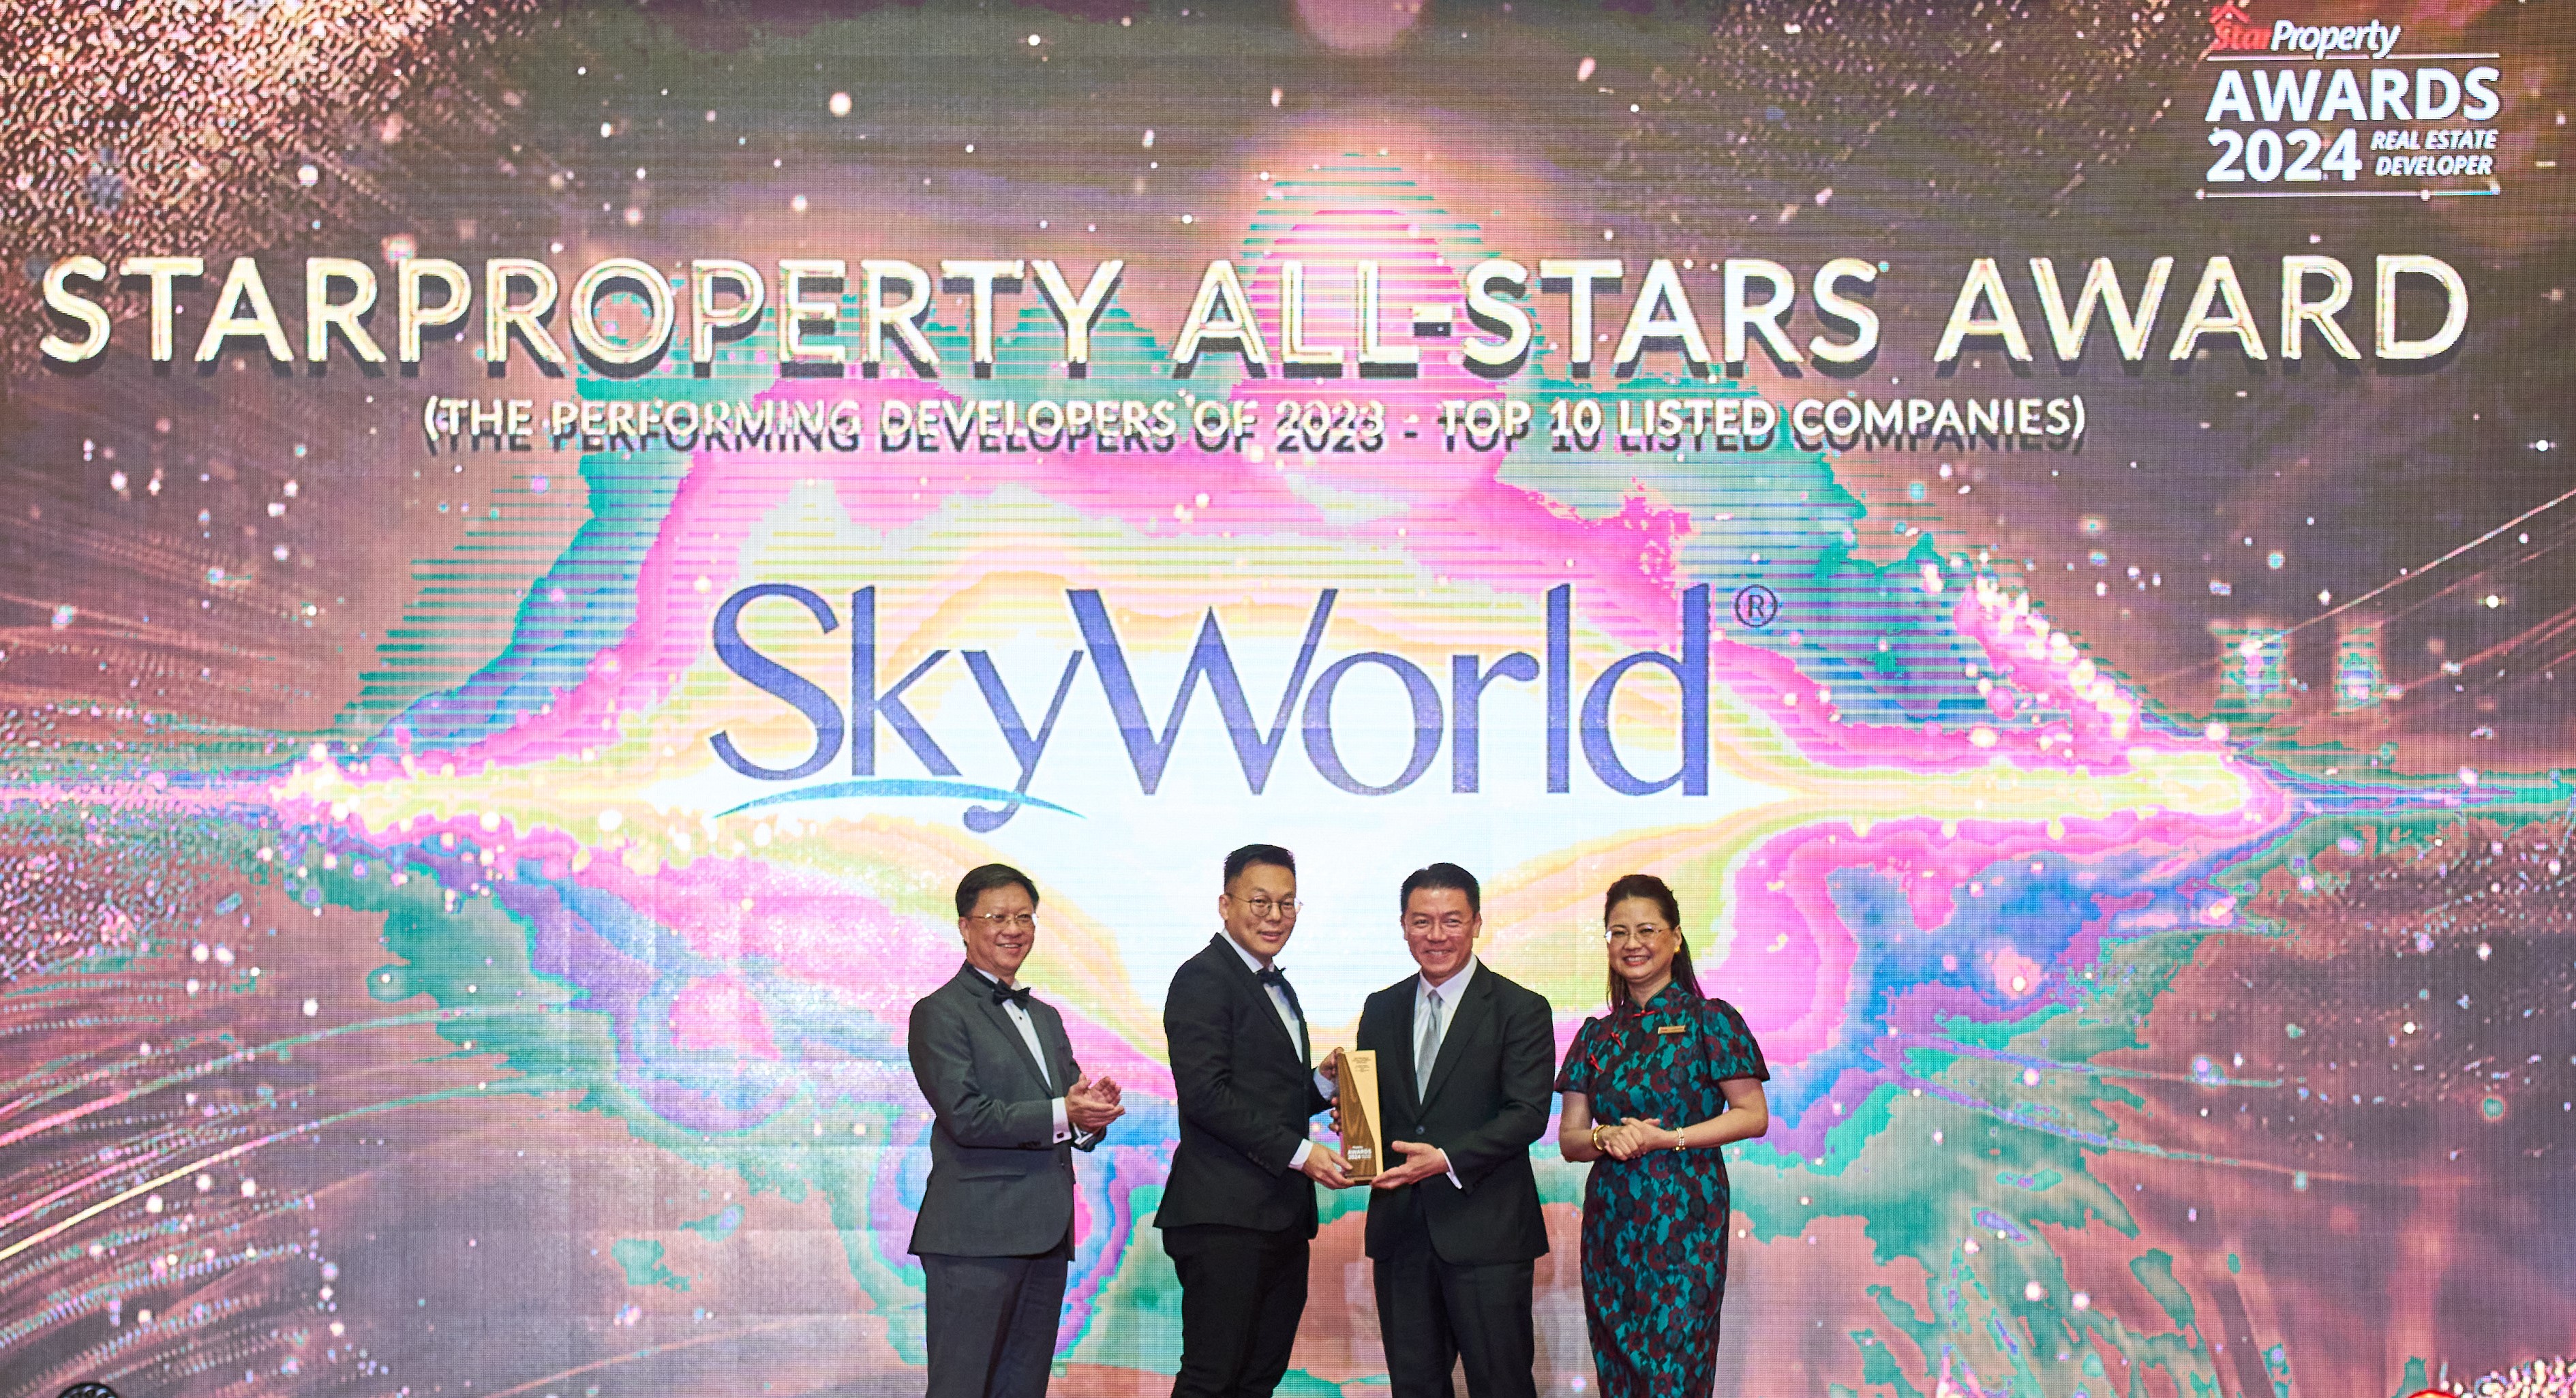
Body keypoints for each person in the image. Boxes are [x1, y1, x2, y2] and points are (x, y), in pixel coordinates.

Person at [909, 863, 1127, 1398]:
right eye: (998, 917)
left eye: (1024, 917)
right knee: (962, 1388)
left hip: (1046, 1234)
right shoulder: (939, 1012)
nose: (1014, 929)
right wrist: (1062, 1112)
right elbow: (966, 1116)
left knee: (1023, 1388)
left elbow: (1064, 1109)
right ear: (965, 926)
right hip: (975, 1238)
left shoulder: (1046, 1017)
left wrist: (1089, 1117)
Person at [1554, 872, 1772, 1398]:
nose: (1632, 943)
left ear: (1675, 937)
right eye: (1618, 932)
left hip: (1686, 1225)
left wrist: (1667, 1138)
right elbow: (1570, 1140)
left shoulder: (1709, 1020)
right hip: (1610, 1228)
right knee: (1619, 1374)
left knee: (1672, 1374)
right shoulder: (1596, 1034)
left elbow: (1751, 1114)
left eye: (1646, 929)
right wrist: (1604, 1136)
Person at [1156, 842, 1352, 1398]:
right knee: (1212, 1376)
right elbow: (1205, 1096)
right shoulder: (1202, 977)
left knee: (1257, 1377)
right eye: (1260, 901)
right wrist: (1302, 1153)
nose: (1274, 915)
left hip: (1278, 1215)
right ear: (1225, 904)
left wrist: (1322, 1084)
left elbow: (1265, 1096)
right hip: (1223, 1216)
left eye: (1287, 903)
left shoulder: (1275, 982)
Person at [1354, 862, 1556, 1398]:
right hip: (1401, 1231)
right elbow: (1380, 1110)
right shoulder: (1380, 1007)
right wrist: (1354, 1120)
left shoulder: (1520, 1008)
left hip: (1487, 1231)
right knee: (1414, 1386)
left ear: (1477, 923)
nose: (1436, 935)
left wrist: (1445, 1158)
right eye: (1422, 921)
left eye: (1451, 920)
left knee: (1501, 1384)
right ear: (1403, 925)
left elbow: (1527, 1113)